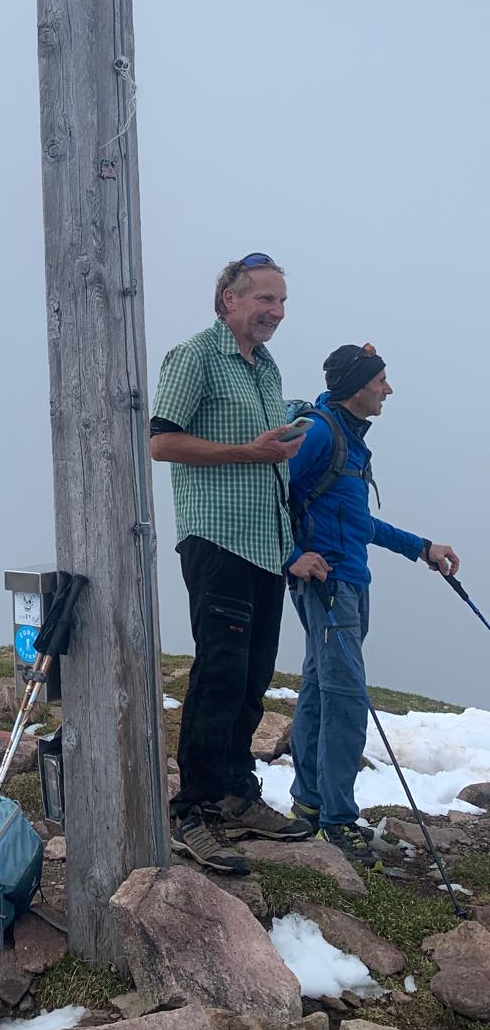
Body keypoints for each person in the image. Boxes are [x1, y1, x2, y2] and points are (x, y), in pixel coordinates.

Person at [149, 253, 314, 876]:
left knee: (251, 677)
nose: (275, 313)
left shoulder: (265, 368)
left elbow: (269, 443)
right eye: (264, 300)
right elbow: (160, 441)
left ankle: (236, 792)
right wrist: (248, 450)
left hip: (265, 546)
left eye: (281, 303)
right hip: (217, 538)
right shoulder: (195, 356)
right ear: (228, 301)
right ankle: (192, 809)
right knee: (220, 671)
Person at [286, 344, 459, 866]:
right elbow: (271, 492)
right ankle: (337, 821)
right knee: (344, 695)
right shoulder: (319, 433)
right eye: (381, 380)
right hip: (329, 584)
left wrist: (421, 548)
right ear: (356, 386)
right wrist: (294, 557)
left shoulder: (350, 443)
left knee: (321, 686)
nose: (388, 389)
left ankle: (309, 805)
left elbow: (360, 523)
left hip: (350, 583)